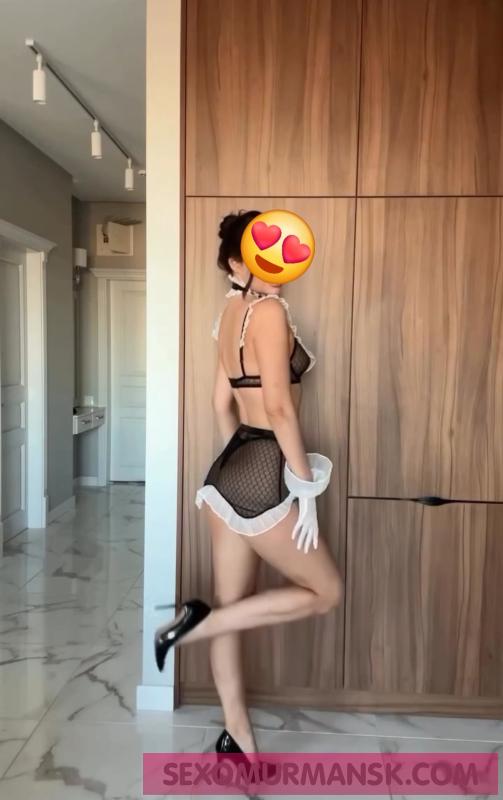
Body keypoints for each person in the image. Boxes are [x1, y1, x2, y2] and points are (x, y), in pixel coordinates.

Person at [154, 210, 343, 759]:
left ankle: (238, 739)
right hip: (263, 468)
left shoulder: (230, 313)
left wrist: (238, 467)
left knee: (230, 607)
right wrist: (303, 487)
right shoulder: (270, 312)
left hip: (230, 468)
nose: (279, 260)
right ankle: (193, 626)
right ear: (239, 263)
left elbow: (222, 403)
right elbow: (279, 408)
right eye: (265, 252)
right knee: (326, 593)